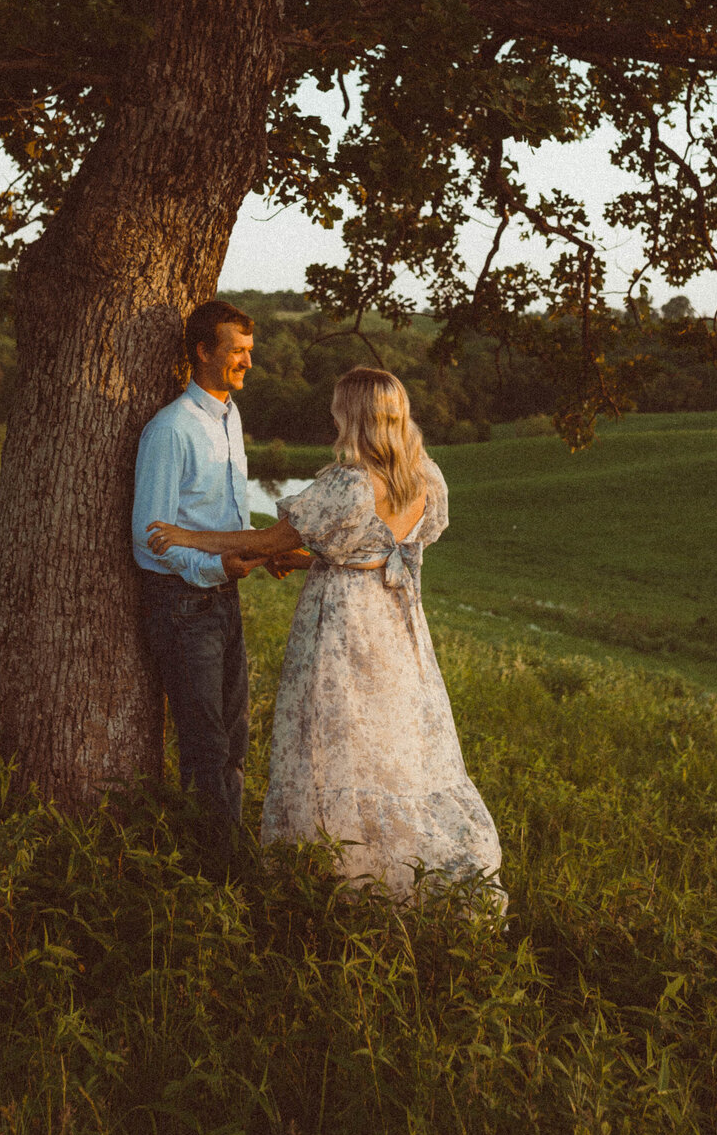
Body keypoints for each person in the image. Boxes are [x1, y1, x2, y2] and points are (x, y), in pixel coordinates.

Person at [147, 366, 504, 905]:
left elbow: (268, 539)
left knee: (329, 735)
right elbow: (370, 552)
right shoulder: (425, 476)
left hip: (342, 627)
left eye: (339, 407)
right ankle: (387, 859)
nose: (332, 415)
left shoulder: (350, 481)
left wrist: (187, 535)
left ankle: (330, 871)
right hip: (395, 623)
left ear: (355, 415)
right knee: (387, 739)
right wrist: (302, 558)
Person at [132, 298, 266, 859]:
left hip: (223, 597)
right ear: (203, 352)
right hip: (181, 604)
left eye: (249, 352)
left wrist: (263, 549)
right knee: (206, 743)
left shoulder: (230, 417)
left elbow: (226, 515)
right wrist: (214, 565)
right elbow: (150, 537)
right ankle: (216, 869)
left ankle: (224, 852)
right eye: (236, 351)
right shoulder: (171, 430)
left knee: (234, 736)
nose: (246, 363)